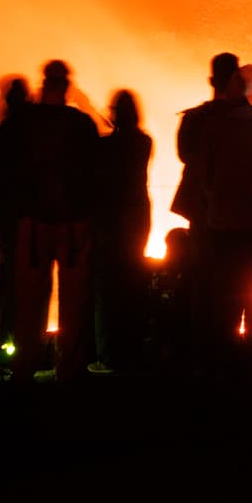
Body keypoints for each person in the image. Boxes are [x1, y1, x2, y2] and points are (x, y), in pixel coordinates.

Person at [179, 54, 252, 372]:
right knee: (248, 288)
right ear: (237, 81)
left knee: (208, 288)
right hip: (250, 222)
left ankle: (208, 355)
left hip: (212, 219)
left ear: (213, 81)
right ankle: (246, 355)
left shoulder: (201, 121)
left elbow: (191, 161)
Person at [11, 61, 103, 383]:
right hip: (74, 224)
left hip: (34, 223)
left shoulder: (24, 123)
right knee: (74, 301)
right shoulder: (80, 124)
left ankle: (25, 365)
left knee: (30, 300)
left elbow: (11, 166)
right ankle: (70, 367)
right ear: (66, 87)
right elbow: (96, 170)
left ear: (43, 84)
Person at [94, 90, 153, 372]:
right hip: (138, 219)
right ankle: (133, 349)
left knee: (107, 289)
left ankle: (108, 353)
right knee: (132, 283)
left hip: (111, 221)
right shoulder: (144, 142)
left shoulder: (105, 147)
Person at [0, 77, 32, 365]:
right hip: (23, 211)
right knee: (22, 279)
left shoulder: (2, 132)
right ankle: (14, 343)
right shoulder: (28, 131)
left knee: (5, 278)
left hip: (4, 209)